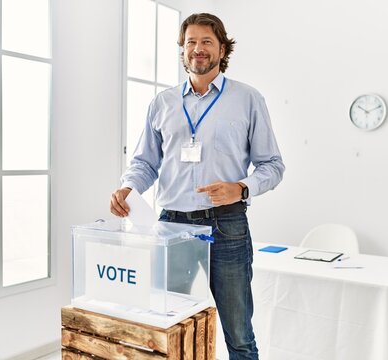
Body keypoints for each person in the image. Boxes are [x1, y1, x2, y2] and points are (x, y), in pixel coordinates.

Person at [110, 13, 284, 360]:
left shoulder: (248, 99)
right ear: (182, 50)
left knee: (239, 333)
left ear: (222, 49)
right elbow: (145, 163)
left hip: (227, 225)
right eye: (191, 42)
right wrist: (129, 187)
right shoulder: (163, 103)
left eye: (206, 42)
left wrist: (242, 187)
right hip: (171, 223)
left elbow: (273, 166)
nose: (198, 49)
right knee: (169, 325)